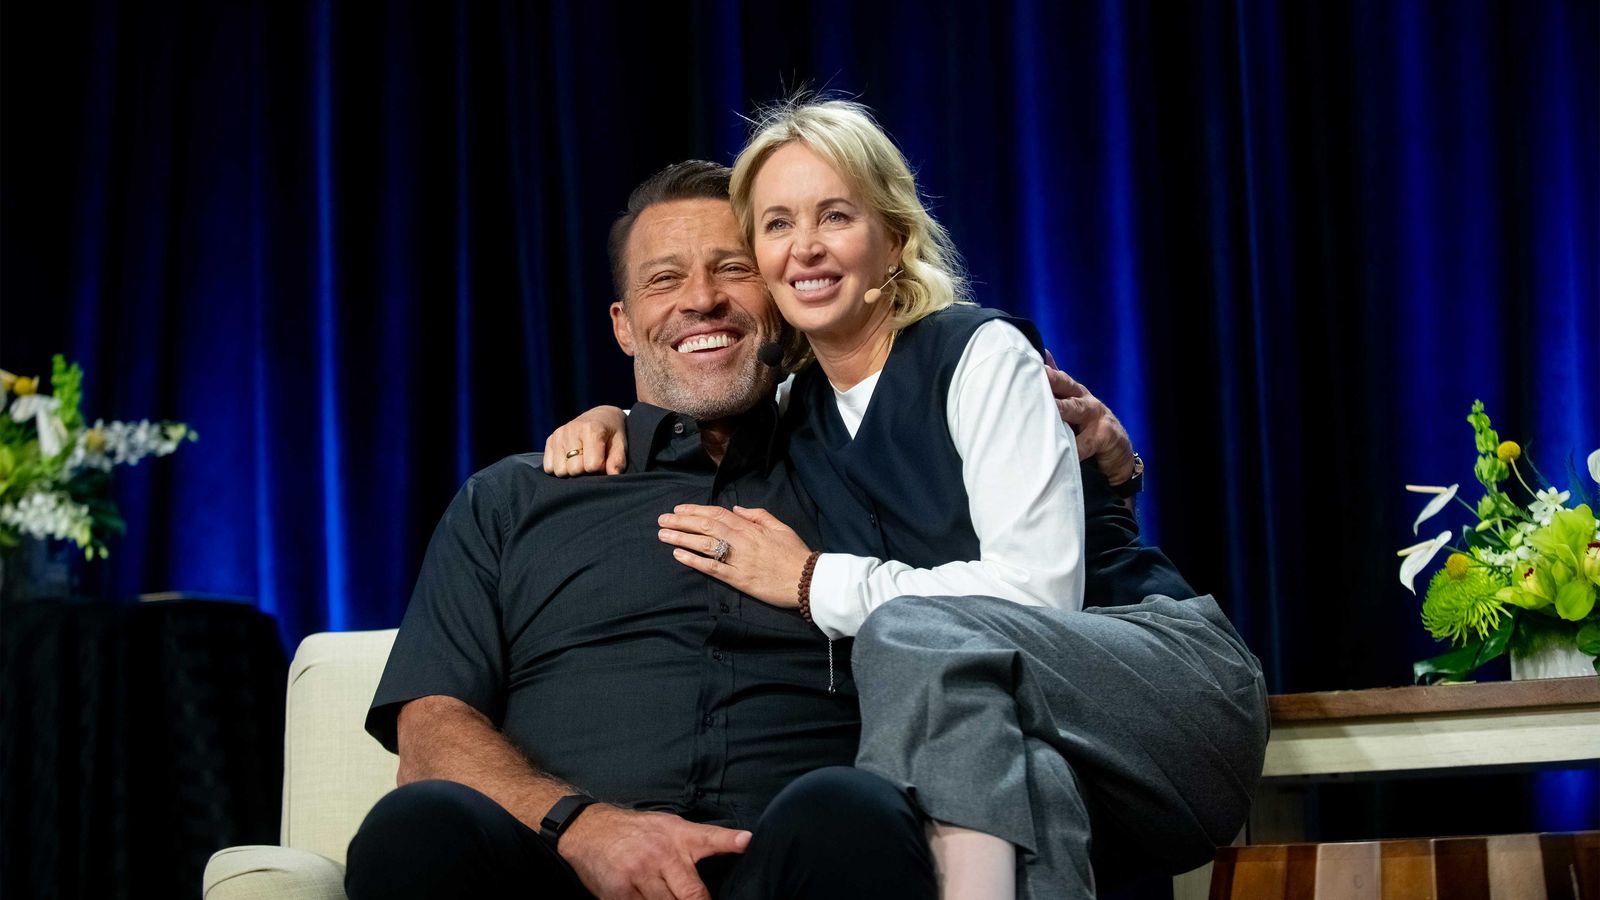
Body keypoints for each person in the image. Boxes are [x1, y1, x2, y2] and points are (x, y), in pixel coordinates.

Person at [549, 98, 1269, 900]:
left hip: (1165, 701)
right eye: (778, 225)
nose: (806, 246)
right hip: (1028, 735)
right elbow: (697, 406)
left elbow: (1040, 596)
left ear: (892, 238)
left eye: (835, 215)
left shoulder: (979, 354)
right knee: (1019, 783)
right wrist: (615, 416)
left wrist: (810, 579)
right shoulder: (793, 409)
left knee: (907, 641)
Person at [344, 161, 939, 900]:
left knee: (853, 808)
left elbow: (1014, 596)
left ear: (784, 299)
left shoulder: (867, 479)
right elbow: (430, 732)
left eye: (734, 269)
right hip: (559, 873)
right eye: (664, 279)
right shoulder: (511, 500)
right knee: (416, 826)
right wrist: (583, 826)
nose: (703, 299)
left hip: (792, 866)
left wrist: (1074, 448)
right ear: (623, 326)